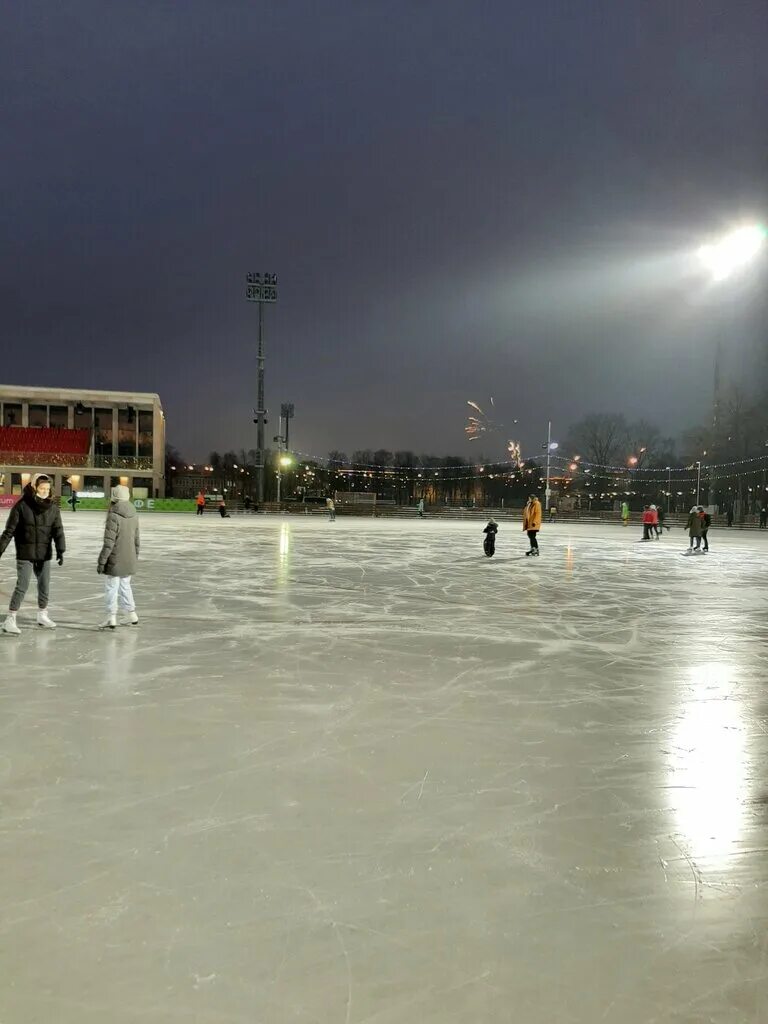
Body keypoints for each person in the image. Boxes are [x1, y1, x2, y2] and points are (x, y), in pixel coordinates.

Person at [0, 474, 65, 634]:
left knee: (44, 586)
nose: (45, 491)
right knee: (22, 586)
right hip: (25, 553)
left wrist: (61, 549)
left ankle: (42, 615)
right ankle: (10, 619)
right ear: (34, 486)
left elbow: (58, 530)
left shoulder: (53, 508)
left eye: (47, 489)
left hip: (44, 554)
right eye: (42, 488)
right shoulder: (21, 506)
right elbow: (9, 531)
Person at [97, 485, 140, 629]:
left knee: (111, 587)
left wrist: (101, 562)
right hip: (129, 558)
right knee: (125, 585)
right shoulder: (134, 513)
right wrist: (135, 557)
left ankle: (111, 617)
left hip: (115, 559)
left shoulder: (113, 515)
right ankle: (131, 614)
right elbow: (137, 540)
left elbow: (109, 542)